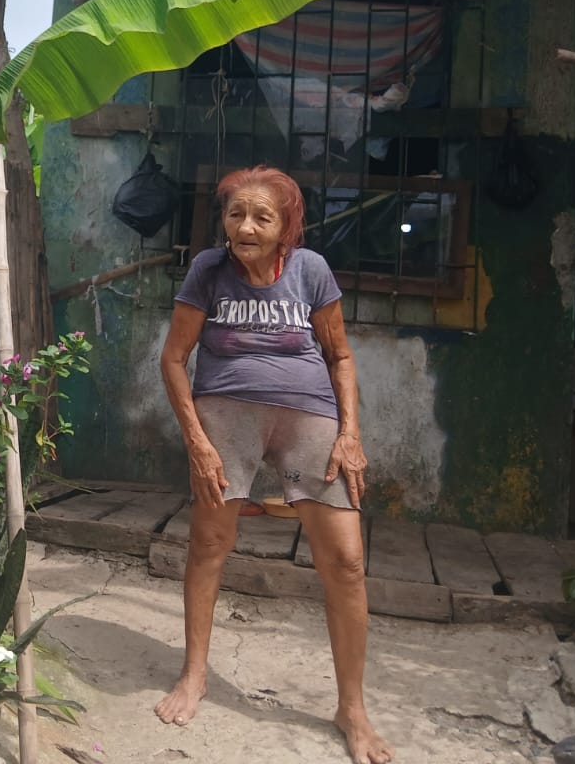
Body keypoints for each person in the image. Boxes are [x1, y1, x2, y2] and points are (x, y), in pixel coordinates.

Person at [154, 165, 392, 764]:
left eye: (262, 217)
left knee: (346, 560)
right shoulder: (208, 270)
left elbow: (340, 356)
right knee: (210, 543)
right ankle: (194, 675)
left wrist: (350, 435)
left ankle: (352, 709)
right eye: (236, 214)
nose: (246, 227)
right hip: (225, 411)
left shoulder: (311, 270)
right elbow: (174, 358)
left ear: (287, 226)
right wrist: (197, 442)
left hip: (308, 412)